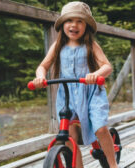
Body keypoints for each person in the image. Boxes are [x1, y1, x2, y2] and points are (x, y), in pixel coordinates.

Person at [32, 2, 118, 168]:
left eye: (80, 21)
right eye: (69, 20)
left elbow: (107, 66)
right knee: (69, 132)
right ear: (63, 24)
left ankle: (113, 164)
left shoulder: (90, 45)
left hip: (90, 92)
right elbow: (43, 66)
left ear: (86, 25)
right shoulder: (57, 46)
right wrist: (40, 77)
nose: (74, 25)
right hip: (67, 95)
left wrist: (95, 74)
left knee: (100, 128)